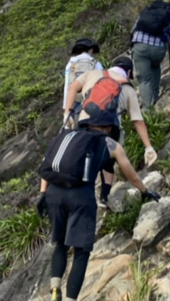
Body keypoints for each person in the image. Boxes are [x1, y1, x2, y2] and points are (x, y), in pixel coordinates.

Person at [36, 115, 160, 301]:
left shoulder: (66, 135)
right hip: (80, 198)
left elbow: (46, 164)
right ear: (108, 127)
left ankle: (55, 292)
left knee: (61, 245)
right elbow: (129, 172)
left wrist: (42, 194)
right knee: (81, 251)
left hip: (54, 194)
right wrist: (144, 191)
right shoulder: (108, 143)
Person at [63, 56, 158, 207]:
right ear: (128, 71)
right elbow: (137, 121)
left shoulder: (92, 73)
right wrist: (148, 147)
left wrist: (67, 112)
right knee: (109, 159)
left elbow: (73, 87)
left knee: (82, 154)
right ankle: (104, 197)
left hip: (83, 121)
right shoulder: (127, 87)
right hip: (108, 127)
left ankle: (75, 191)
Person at [62, 38, 104, 127]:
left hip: (74, 103)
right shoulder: (96, 64)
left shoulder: (70, 64)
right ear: (91, 49)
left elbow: (67, 87)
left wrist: (66, 111)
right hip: (92, 103)